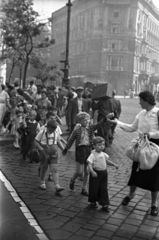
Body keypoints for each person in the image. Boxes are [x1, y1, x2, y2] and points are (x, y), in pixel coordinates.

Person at [108, 91, 159, 216]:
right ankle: (131, 194)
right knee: (135, 173)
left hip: (154, 148)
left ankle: (154, 204)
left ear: (146, 100)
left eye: (140, 100)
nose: (139, 102)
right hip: (141, 146)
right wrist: (117, 122)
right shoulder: (141, 113)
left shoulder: (157, 113)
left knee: (154, 177)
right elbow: (132, 127)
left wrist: (150, 134)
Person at [63, 111, 114, 196]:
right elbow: (71, 140)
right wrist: (66, 149)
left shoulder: (90, 128)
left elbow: (98, 124)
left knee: (87, 172)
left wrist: (106, 118)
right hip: (80, 150)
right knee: (79, 172)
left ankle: (84, 188)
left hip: (88, 150)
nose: (87, 122)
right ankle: (72, 179)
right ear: (79, 121)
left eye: (88, 120)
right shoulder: (76, 130)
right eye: (84, 120)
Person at [87, 136, 118, 211]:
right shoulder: (92, 155)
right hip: (96, 173)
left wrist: (113, 164)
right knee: (94, 188)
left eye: (103, 145)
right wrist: (92, 171)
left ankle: (105, 203)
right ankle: (93, 201)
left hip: (104, 173)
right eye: (100, 145)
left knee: (103, 188)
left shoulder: (103, 154)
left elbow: (107, 161)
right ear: (94, 146)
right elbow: (89, 164)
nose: (102, 147)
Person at [34, 119, 65, 192]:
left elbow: (58, 141)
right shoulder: (42, 132)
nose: (52, 131)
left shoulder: (56, 133)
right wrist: (41, 149)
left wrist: (63, 149)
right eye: (51, 130)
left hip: (54, 153)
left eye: (54, 129)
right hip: (44, 153)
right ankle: (42, 182)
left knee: (54, 169)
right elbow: (36, 141)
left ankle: (57, 185)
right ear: (47, 127)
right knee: (44, 168)